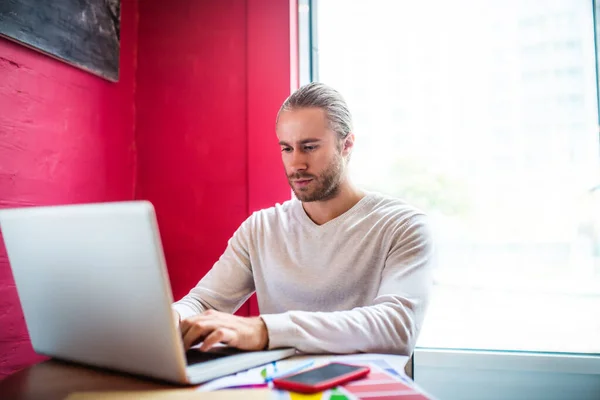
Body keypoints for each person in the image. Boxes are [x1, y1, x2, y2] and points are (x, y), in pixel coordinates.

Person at [172, 82, 435, 356]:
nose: (296, 164)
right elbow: (203, 302)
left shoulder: (403, 226)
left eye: (309, 147)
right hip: (280, 390)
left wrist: (266, 330)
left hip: (359, 391)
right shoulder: (261, 229)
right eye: (287, 149)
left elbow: (397, 327)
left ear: (346, 145)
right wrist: (170, 319)